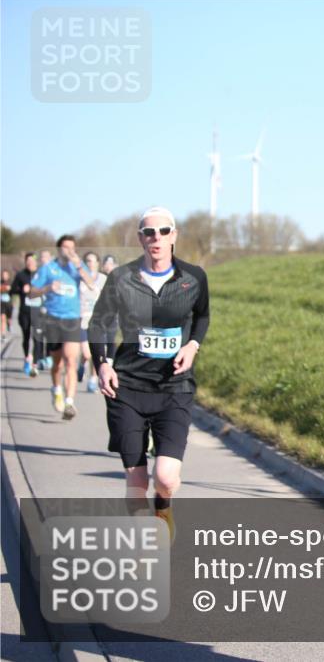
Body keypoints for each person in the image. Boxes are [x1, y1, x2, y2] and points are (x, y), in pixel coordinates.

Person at [89, 207, 210, 540]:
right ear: (140, 237)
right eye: (148, 232)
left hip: (174, 388)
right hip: (126, 388)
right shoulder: (121, 278)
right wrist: (102, 362)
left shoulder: (193, 277)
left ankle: (163, 507)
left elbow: (202, 317)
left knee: (167, 477)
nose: (156, 237)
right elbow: (99, 323)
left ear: (174, 235)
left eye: (163, 231)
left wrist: (193, 345)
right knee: (137, 480)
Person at [29, 236, 96, 420]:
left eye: (72, 248)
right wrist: (48, 288)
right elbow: (32, 291)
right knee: (57, 364)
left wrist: (80, 266)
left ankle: (69, 402)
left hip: (72, 319)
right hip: (53, 319)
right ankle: (56, 389)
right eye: (66, 248)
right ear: (59, 249)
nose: (69, 251)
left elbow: (90, 284)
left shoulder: (77, 266)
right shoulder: (48, 268)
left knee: (71, 361)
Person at [78, 251, 107, 392]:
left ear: (97, 263)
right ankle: (81, 365)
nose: (90, 263)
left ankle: (92, 380)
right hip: (82, 321)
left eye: (93, 260)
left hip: (97, 322)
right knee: (86, 354)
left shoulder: (103, 279)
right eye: (87, 260)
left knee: (96, 352)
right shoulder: (79, 278)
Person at [13, 253, 44, 376]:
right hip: (25, 312)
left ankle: (35, 365)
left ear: (36, 262)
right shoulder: (21, 275)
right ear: (26, 262)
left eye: (32, 260)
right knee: (26, 337)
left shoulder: (42, 274)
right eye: (28, 261)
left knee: (37, 338)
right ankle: (27, 358)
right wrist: (21, 289)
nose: (30, 263)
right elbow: (12, 290)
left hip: (38, 312)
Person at [0, 269, 12, 339]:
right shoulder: (1, 282)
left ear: (8, 275)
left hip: (9, 304)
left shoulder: (10, 282)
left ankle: (9, 324)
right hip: (2, 303)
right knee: (2, 318)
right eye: (3, 275)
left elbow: (12, 289)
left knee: (9, 319)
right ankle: (3, 335)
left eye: (5, 275)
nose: (4, 276)